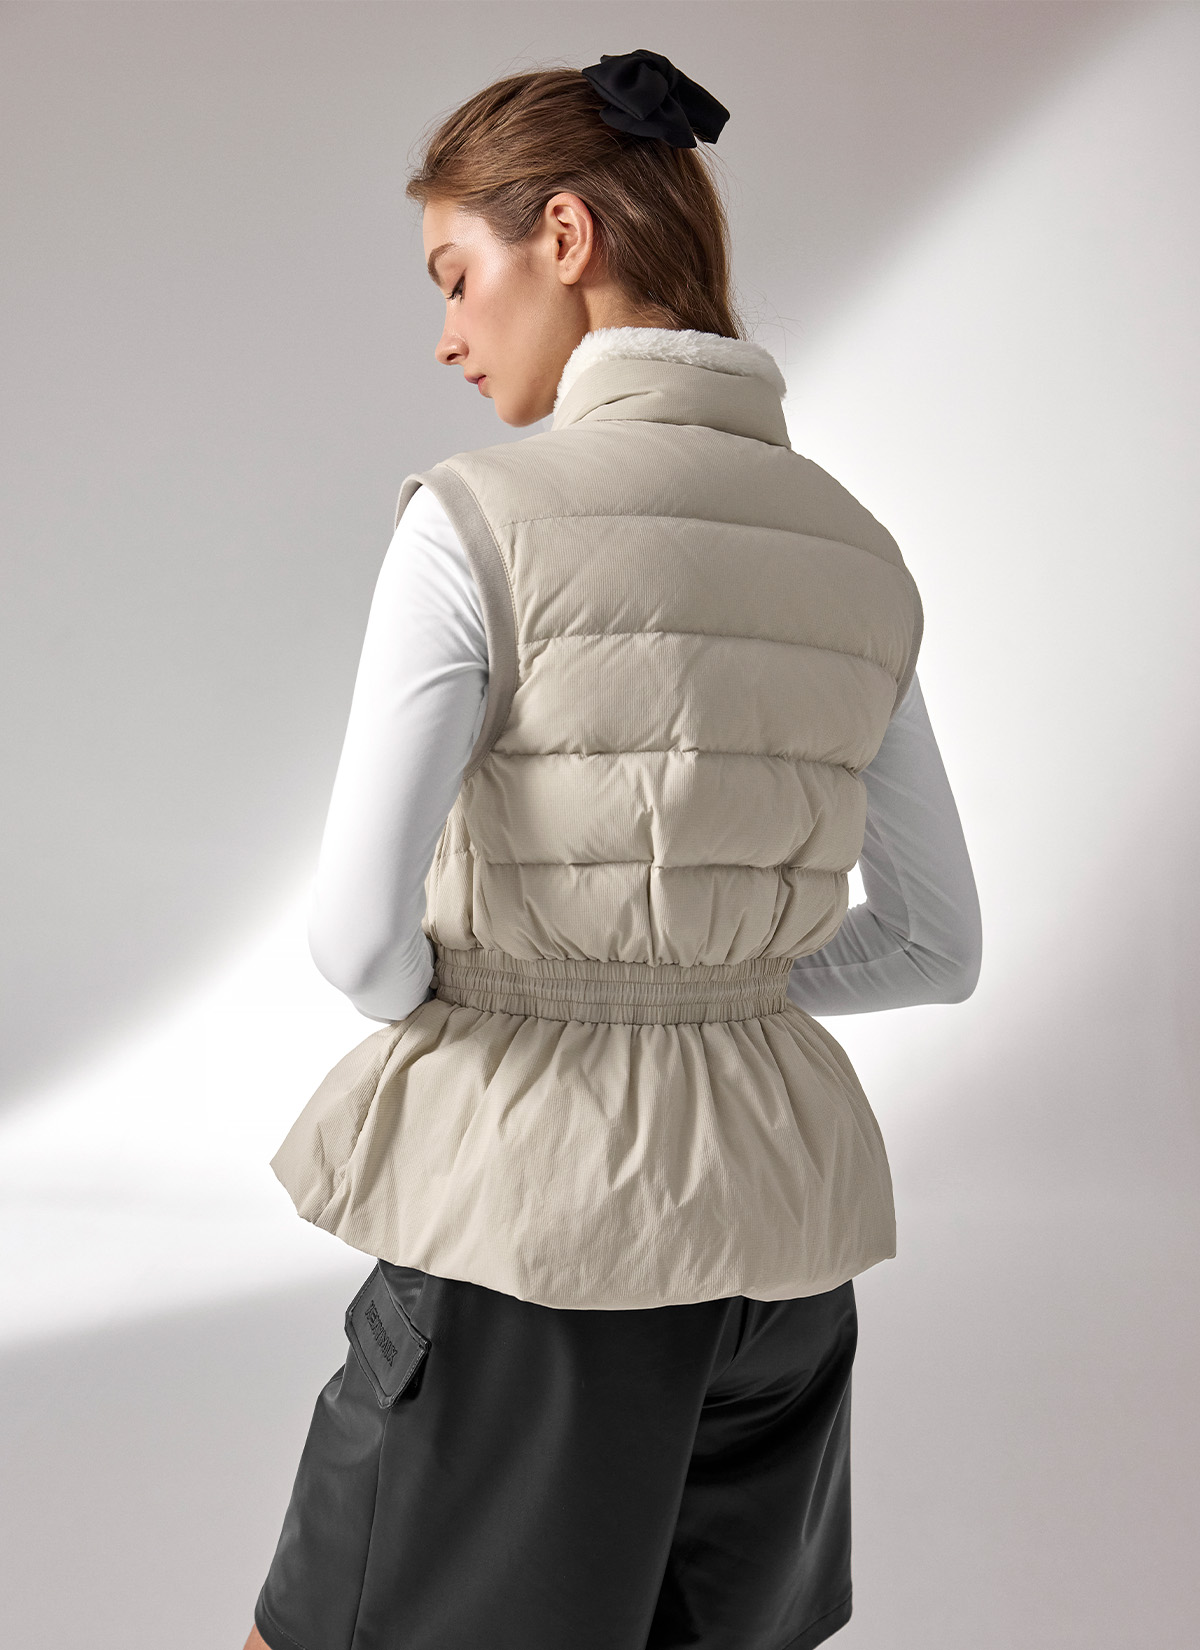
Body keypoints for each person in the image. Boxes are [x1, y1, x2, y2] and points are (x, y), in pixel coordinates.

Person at [244, 50, 981, 1650]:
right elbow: (938, 942)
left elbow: (357, 936)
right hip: (783, 1255)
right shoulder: (857, 551)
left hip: (544, 1239)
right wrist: (708, 992)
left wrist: (529, 997)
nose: (447, 333)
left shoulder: (476, 522)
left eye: (457, 273)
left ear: (565, 236)